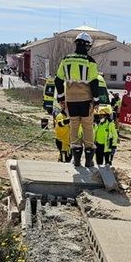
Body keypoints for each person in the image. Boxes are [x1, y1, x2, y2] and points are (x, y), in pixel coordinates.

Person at [54, 32, 100, 167]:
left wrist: (61, 97)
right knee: (87, 128)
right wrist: (97, 100)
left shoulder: (66, 59)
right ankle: (89, 161)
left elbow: (58, 80)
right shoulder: (90, 61)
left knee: (74, 126)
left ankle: (77, 161)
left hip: (71, 100)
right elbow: (94, 82)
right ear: (87, 46)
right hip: (86, 100)